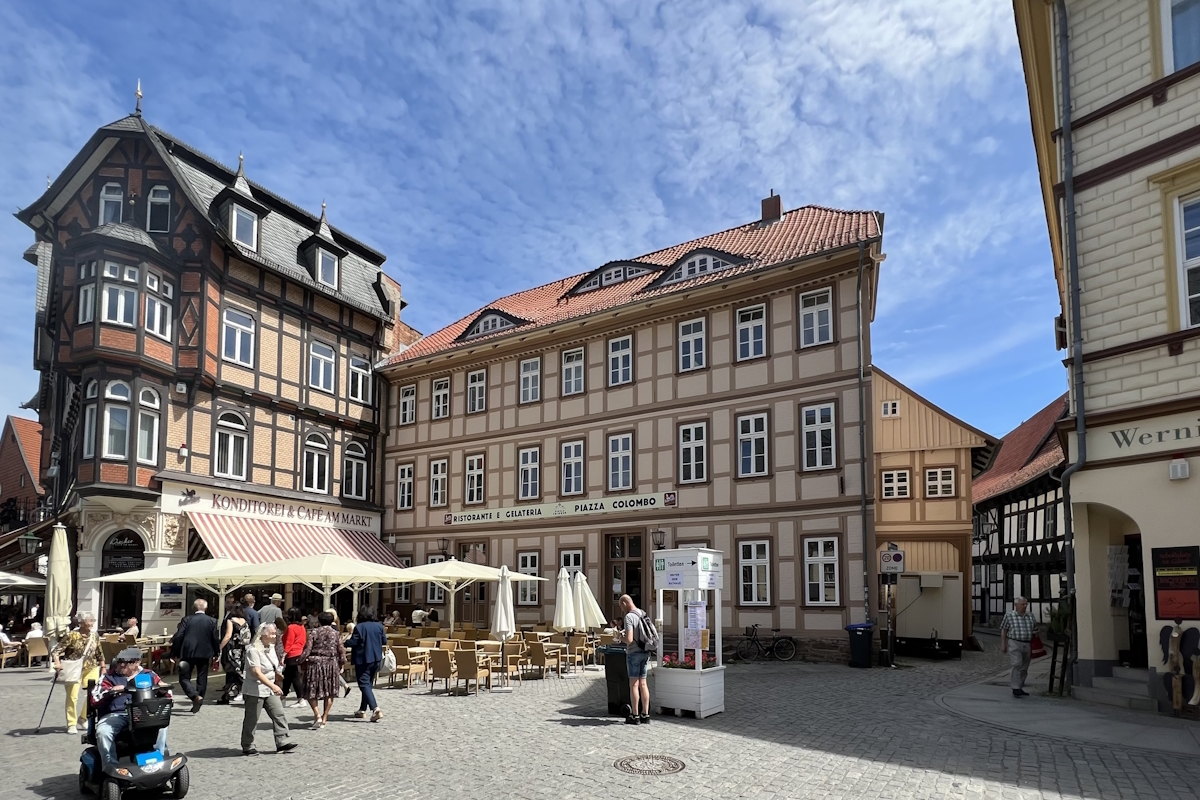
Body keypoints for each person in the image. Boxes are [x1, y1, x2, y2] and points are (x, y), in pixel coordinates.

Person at [91, 648, 169, 764]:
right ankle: (110, 766)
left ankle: (158, 758)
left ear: (137, 663)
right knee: (103, 731)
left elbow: (167, 695)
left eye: (127, 662)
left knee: (161, 725)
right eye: (120, 661)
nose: (122, 665)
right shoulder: (108, 677)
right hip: (117, 714)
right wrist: (111, 691)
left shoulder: (149, 675)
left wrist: (163, 690)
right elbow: (95, 698)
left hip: (144, 713)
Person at [240, 623, 298, 756]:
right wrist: (273, 686)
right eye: (271, 634)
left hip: (270, 688)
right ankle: (248, 745)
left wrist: (277, 675)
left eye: (275, 633)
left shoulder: (271, 648)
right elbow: (256, 672)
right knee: (252, 718)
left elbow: (274, 665)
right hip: (255, 689)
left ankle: (282, 741)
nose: (274, 636)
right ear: (262, 635)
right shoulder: (253, 650)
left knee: (279, 714)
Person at [51, 611, 103, 734]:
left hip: (91, 667)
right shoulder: (72, 635)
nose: (92, 623)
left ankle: (83, 717)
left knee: (93, 694)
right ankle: (71, 723)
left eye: (93, 620)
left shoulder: (94, 635)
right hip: (73, 668)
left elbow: (99, 652)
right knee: (72, 696)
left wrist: (103, 666)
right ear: (81, 623)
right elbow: (56, 651)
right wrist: (57, 663)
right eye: (89, 621)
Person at [171, 598, 221, 713]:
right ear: (206, 608)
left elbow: (178, 636)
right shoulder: (212, 621)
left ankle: (194, 696)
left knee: (184, 677)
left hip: (188, 652)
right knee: (202, 677)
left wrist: (174, 652)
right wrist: (216, 652)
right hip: (205, 652)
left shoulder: (187, 619)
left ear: (194, 608)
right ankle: (199, 697)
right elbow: (214, 638)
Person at [299, 610, 346, 729]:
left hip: (315, 664)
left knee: (312, 691)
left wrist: (300, 660)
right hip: (331, 664)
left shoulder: (314, 632)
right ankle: (324, 717)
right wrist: (342, 663)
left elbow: (307, 649)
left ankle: (317, 715)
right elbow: (341, 649)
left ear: (319, 621)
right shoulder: (336, 633)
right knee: (329, 691)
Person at [344, 606, 385, 723]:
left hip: (363, 659)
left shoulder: (360, 627)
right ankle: (362, 709)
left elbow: (354, 641)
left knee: (364, 684)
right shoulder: (379, 626)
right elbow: (384, 641)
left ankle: (375, 709)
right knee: (368, 685)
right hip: (376, 659)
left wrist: (344, 643)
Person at [616, 594, 651, 725]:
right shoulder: (642, 613)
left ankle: (635, 715)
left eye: (621, 605)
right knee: (643, 684)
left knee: (634, 685)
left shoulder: (629, 617)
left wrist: (621, 637)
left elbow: (629, 640)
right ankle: (645, 714)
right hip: (645, 652)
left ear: (625, 603)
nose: (621, 608)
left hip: (634, 654)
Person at [1000, 596, 1036, 697]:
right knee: (1017, 664)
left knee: (1024, 667)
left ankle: (1020, 686)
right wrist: (1003, 644)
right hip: (1014, 642)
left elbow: (1035, 629)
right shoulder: (1009, 615)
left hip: (1027, 643)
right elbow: (1004, 629)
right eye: (1022, 604)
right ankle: (1015, 687)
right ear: (1016, 605)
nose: (1025, 606)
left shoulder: (1030, 616)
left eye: (1026, 604)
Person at [218, 604, 251, 704]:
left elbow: (228, 635)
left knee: (234, 672)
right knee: (236, 671)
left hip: (233, 650)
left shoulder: (231, 621)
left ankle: (244, 692)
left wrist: (220, 647)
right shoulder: (245, 622)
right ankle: (227, 695)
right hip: (243, 650)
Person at [280, 607, 308, 708]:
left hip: (292, 653)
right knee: (288, 676)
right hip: (299, 652)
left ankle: (301, 698)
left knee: (294, 677)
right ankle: (283, 697)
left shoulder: (291, 627)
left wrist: (283, 655)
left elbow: (289, 642)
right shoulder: (302, 627)